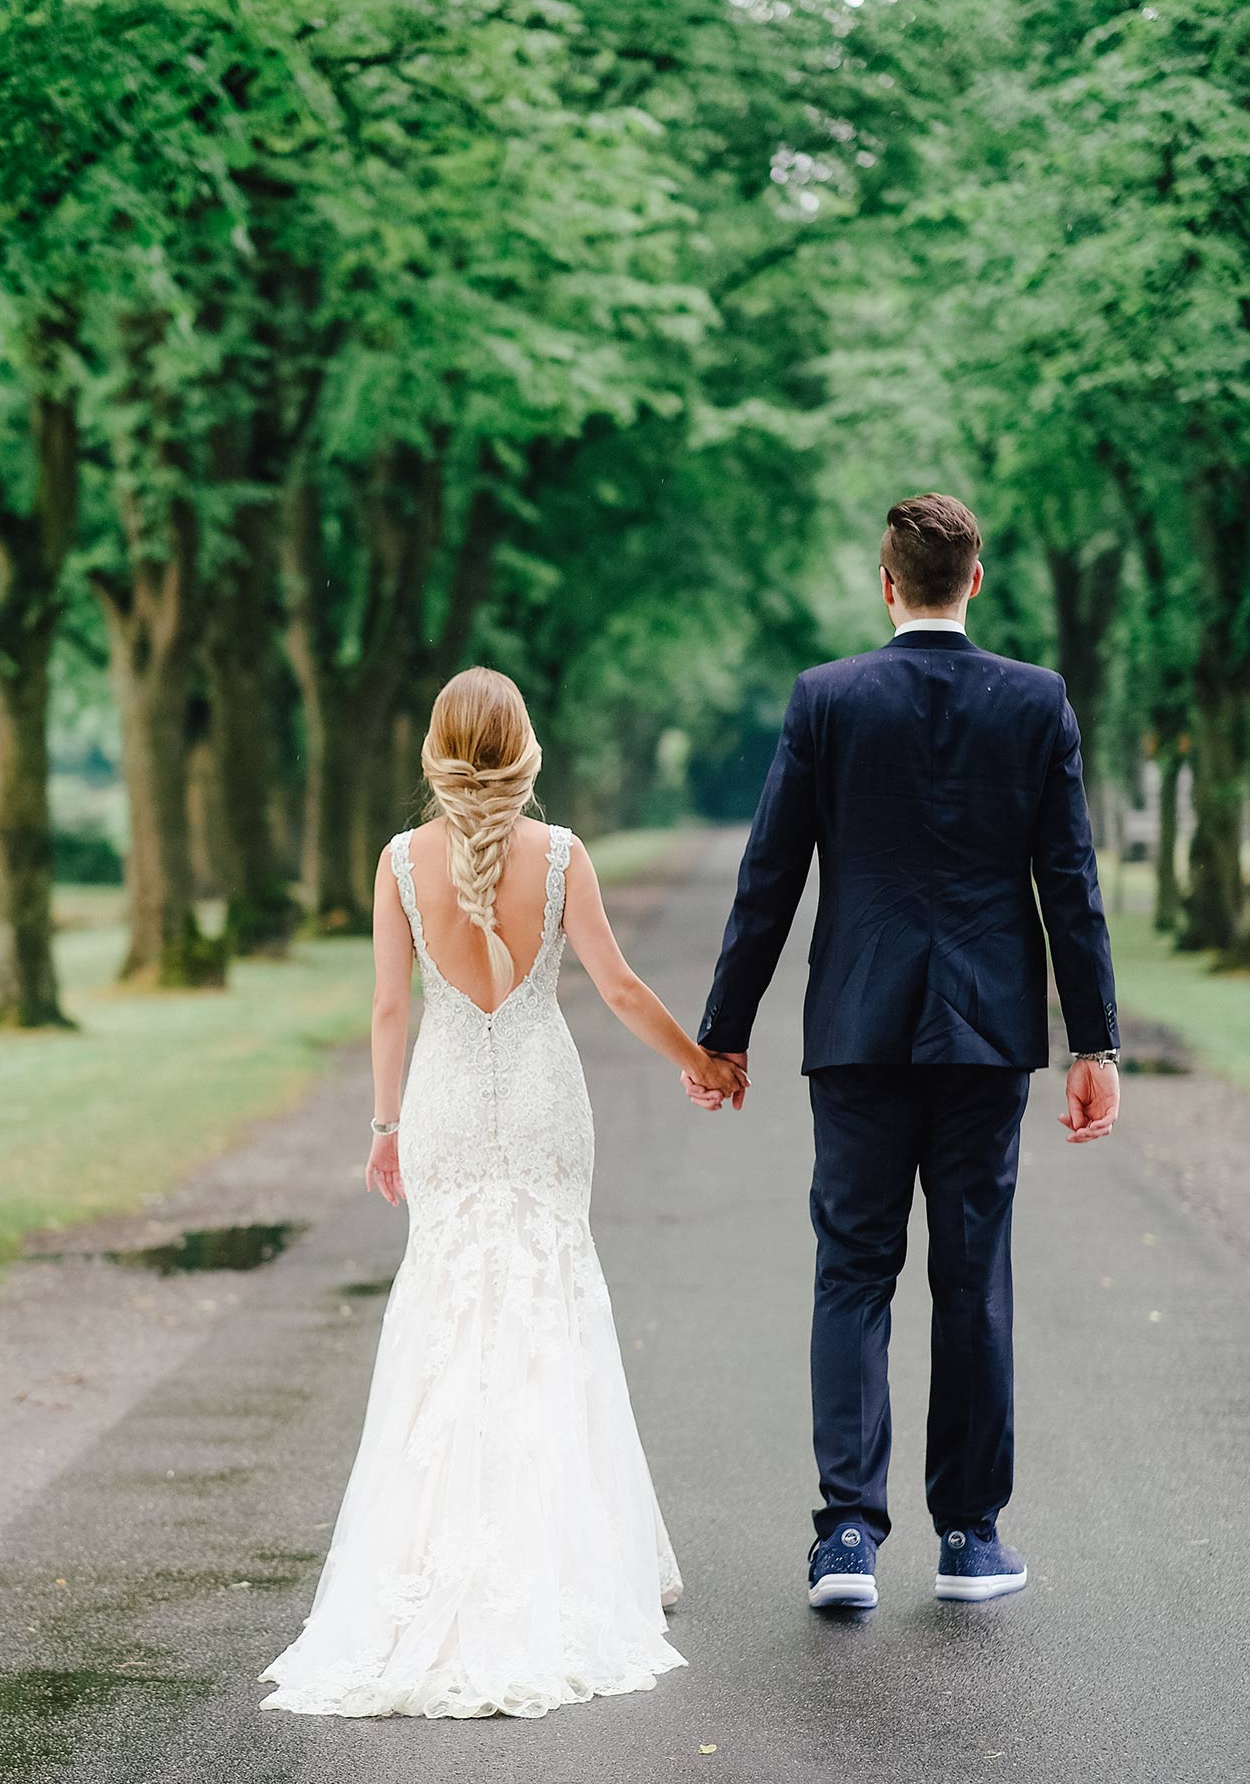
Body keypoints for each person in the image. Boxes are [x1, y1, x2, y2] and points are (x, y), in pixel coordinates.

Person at [258, 666, 745, 1718]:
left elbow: (390, 1010)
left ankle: (427, 1555)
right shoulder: (560, 856)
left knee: (446, 1313)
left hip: (439, 1104)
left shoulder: (399, 863)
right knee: (549, 1307)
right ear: (523, 750)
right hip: (539, 1105)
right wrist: (699, 1059)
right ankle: (564, 1554)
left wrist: (384, 1127)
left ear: (435, 749)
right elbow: (615, 987)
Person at [683, 493, 1120, 1610]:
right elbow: (1066, 883)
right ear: (973, 579)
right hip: (984, 1037)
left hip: (858, 1033)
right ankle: (969, 1540)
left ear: (886, 584)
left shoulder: (826, 700)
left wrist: (721, 1034)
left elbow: (768, 878)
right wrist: (1094, 1041)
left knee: (851, 1273)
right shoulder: (1035, 702)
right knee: (970, 1278)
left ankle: (843, 1538)